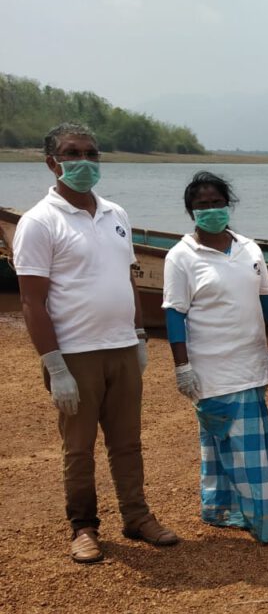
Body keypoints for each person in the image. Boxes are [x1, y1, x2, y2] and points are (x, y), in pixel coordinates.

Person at [12, 122, 178, 563]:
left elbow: (127, 277)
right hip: (74, 354)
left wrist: (140, 335)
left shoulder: (115, 214)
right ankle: (83, 526)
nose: (84, 162)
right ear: (52, 163)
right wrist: (55, 364)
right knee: (79, 447)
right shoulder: (38, 222)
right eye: (73, 153)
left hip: (122, 347)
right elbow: (32, 300)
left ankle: (137, 516)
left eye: (91, 153)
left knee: (127, 441)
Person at [162, 171, 268, 543]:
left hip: (252, 364)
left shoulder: (249, 249)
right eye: (202, 205)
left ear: (227, 205)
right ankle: (260, 519)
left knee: (250, 445)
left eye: (217, 203)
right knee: (227, 443)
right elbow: (174, 314)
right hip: (211, 369)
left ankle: (225, 509)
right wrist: (182, 367)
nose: (211, 210)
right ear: (191, 212)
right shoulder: (181, 257)